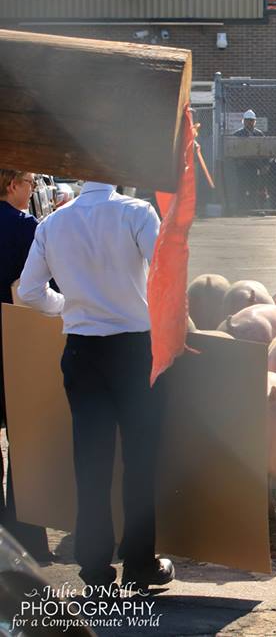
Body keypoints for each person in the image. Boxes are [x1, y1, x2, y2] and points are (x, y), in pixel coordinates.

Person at [17, 181, 173, 591]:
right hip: (135, 348)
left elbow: (30, 291)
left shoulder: (52, 222)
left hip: (83, 351)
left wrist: (67, 305)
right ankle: (140, 563)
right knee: (139, 459)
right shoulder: (136, 212)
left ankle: (95, 571)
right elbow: (164, 268)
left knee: (91, 462)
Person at [0, 169, 53, 561]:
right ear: (12, 184)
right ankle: (25, 536)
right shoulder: (26, 228)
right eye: (31, 182)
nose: (33, 189)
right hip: (16, 340)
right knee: (23, 439)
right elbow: (42, 286)